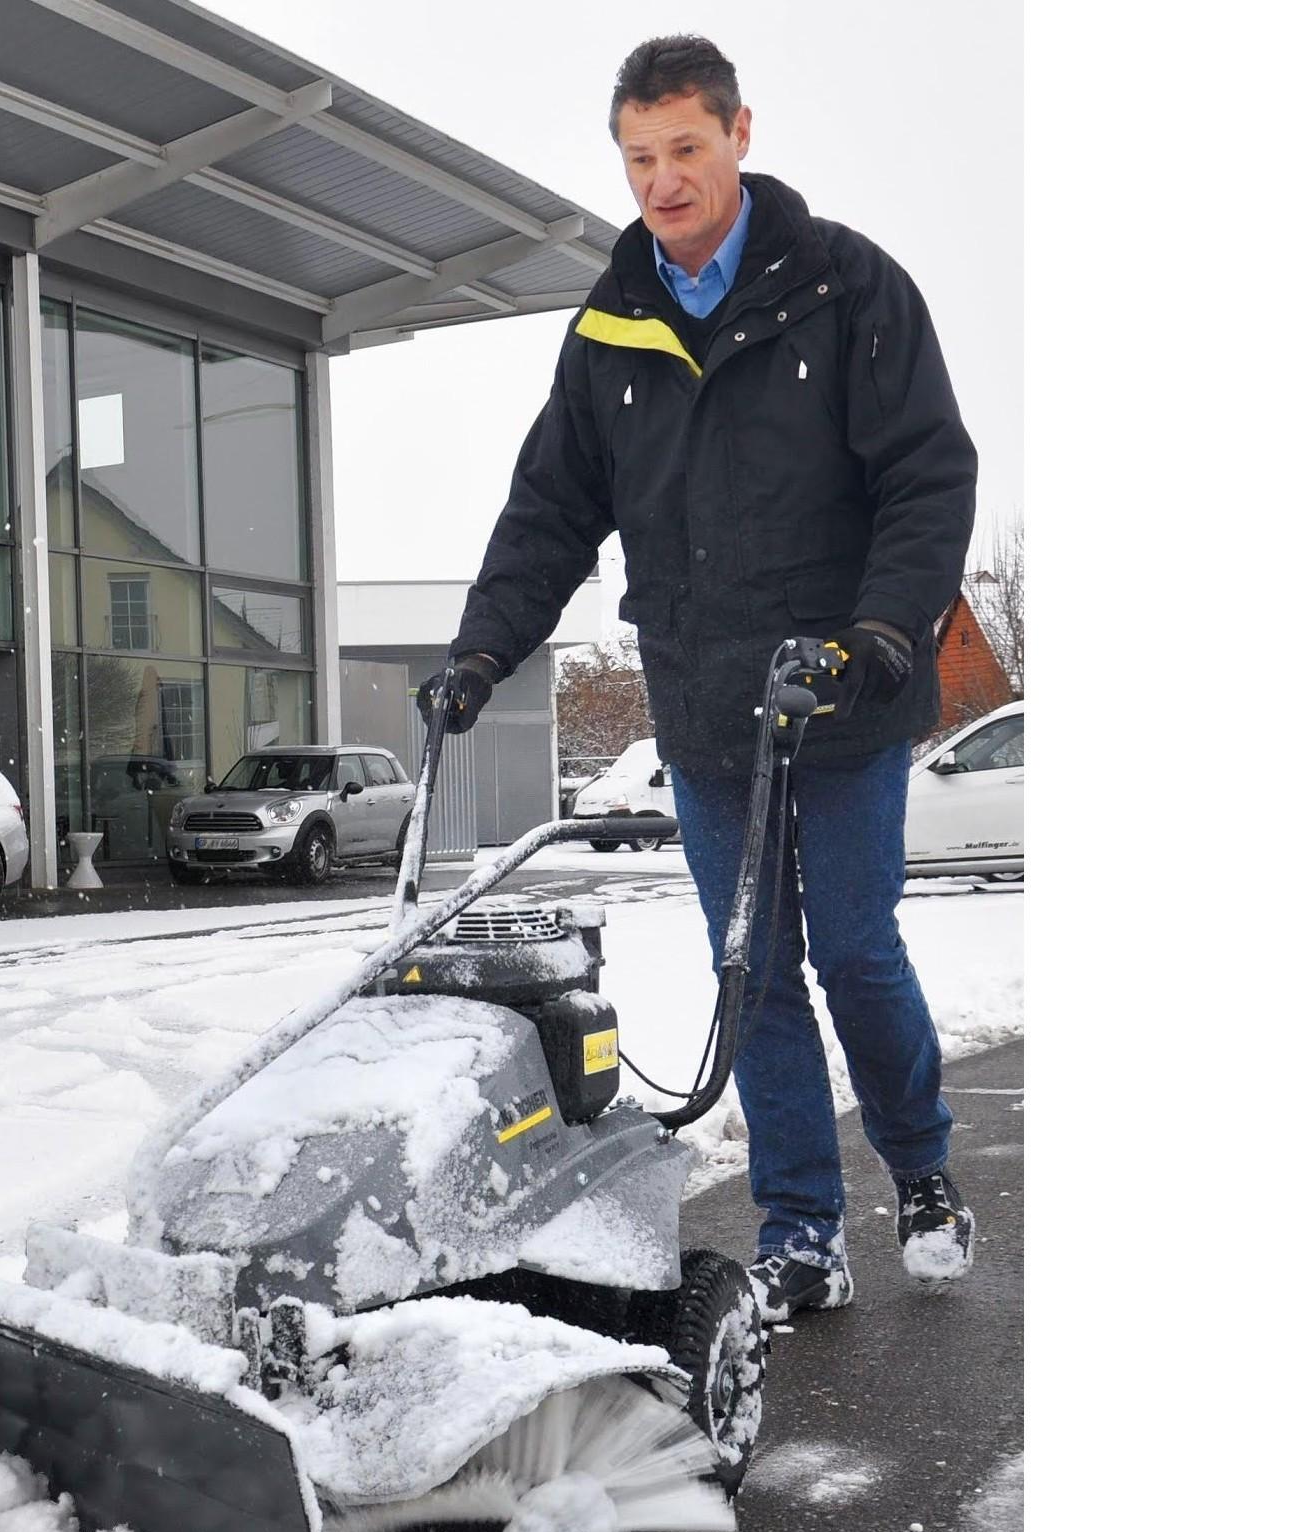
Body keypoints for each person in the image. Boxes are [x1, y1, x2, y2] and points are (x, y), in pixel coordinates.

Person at [420, 35, 980, 1320]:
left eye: (685, 148)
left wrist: (883, 629)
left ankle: (922, 1170)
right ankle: (802, 1229)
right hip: (709, 705)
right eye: (639, 158)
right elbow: (551, 511)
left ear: (739, 134)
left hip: (841, 691)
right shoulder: (611, 328)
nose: (662, 181)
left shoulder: (847, 286)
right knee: (754, 971)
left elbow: (926, 475)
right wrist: (483, 648)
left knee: (854, 950)